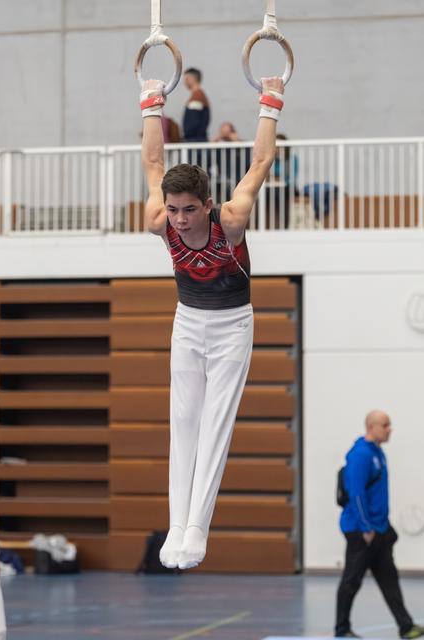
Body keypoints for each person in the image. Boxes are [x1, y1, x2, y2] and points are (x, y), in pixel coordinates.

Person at [140, 74, 285, 570]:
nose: (178, 219)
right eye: (174, 209)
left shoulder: (232, 219)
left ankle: (197, 526)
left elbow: (261, 161)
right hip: (188, 320)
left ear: (206, 204)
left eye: (187, 210)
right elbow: (153, 161)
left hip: (231, 326)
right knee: (182, 421)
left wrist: (270, 100)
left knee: (214, 424)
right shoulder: (160, 219)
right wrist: (150, 104)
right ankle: (177, 524)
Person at [335, 410, 424, 639]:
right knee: (352, 580)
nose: (389, 429)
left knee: (389, 579)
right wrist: (366, 528)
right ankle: (342, 629)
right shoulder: (360, 455)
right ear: (372, 426)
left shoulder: (378, 453)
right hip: (361, 531)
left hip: (379, 530)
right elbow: (356, 494)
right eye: (385, 425)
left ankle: (406, 626)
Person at [182, 68, 210, 142]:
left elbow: (193, 121)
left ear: (192, 79)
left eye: (186, 79)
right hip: (197, 140)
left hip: (195, 141)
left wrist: (187, 135)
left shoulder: (197, 96)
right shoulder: (198, 95)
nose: (184, 82)